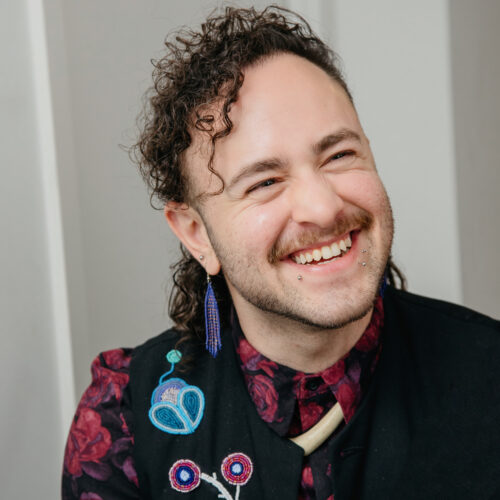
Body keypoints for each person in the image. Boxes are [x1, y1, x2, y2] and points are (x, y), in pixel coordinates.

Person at [62, 6, 500, 500]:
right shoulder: (123, 419)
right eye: (265, 182)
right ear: (197, 234)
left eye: (340, 155)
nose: (323, 207)